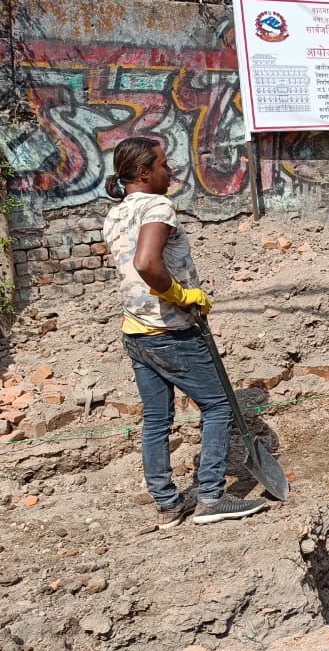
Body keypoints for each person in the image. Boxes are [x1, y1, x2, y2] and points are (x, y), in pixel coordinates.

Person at [103, 137, 267, 529]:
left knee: (157, 419)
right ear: (143, 173)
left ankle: (168, 504)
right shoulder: (158, 206)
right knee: (218, 406)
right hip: (170, 331)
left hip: (136, 332)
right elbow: (147, 263)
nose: (170, 170)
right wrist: (182, 294)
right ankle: (210, 496)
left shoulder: (115, 214)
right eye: (163, 164)